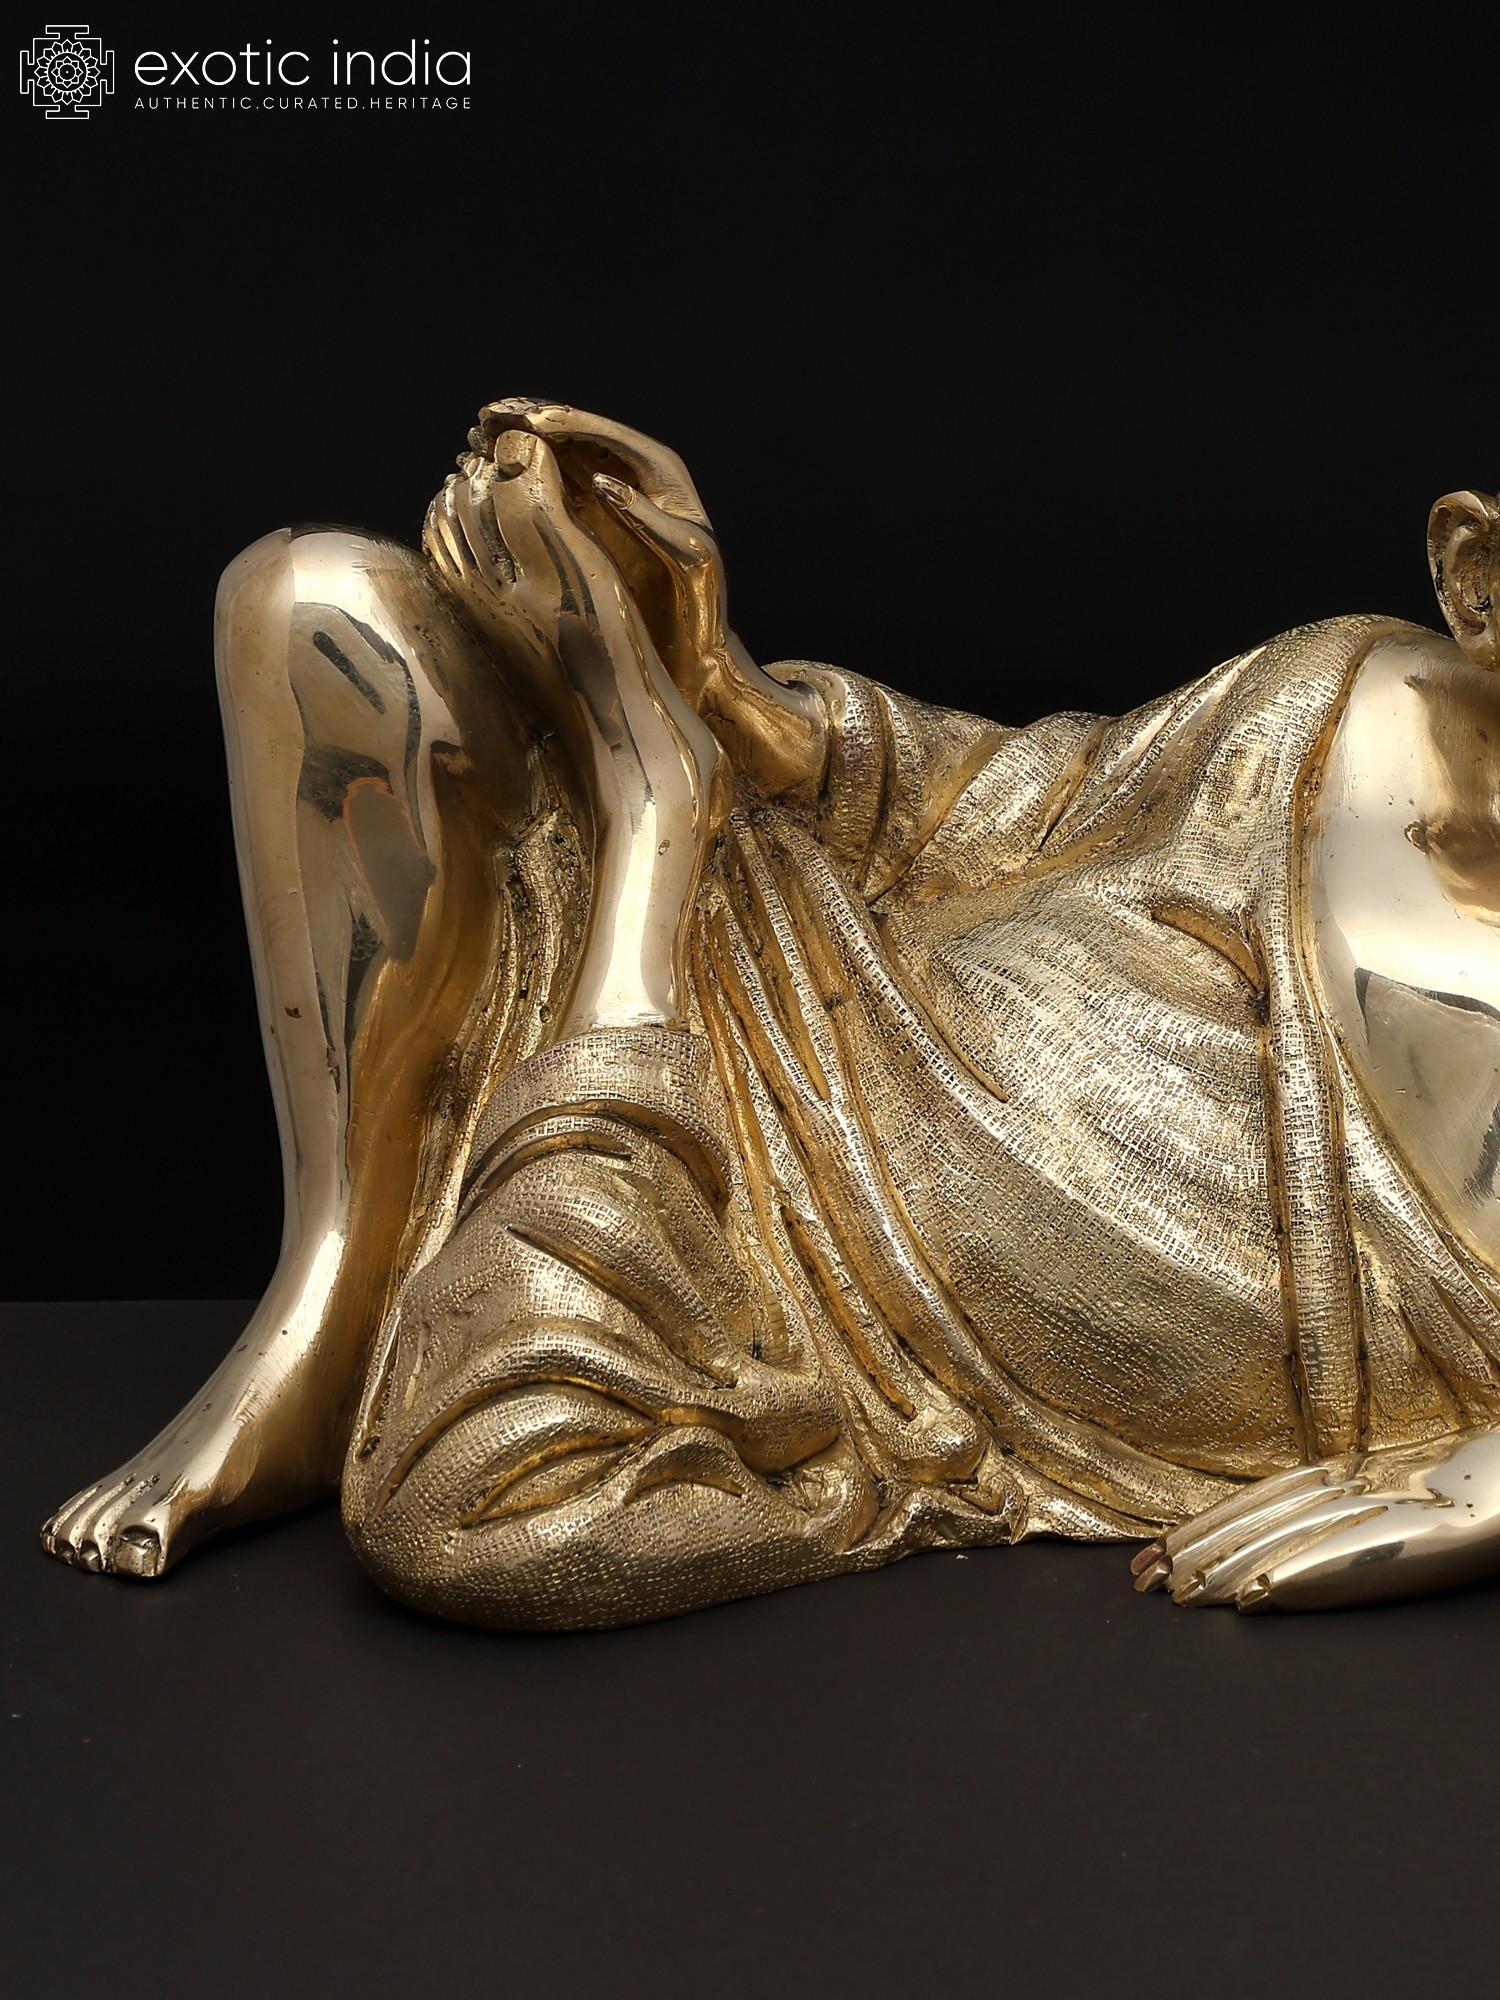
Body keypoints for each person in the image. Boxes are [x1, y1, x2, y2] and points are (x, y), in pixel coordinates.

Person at [42, 404, 1500, 1625]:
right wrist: (721, 680)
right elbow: (1021, 801)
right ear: (1475, 578)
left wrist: (1476, 1492)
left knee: (473, 1517)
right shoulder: (1362, 699)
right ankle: (327, 1292)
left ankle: (646, 815)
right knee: (314, 609)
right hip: (810, 962)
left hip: (806, 1317)